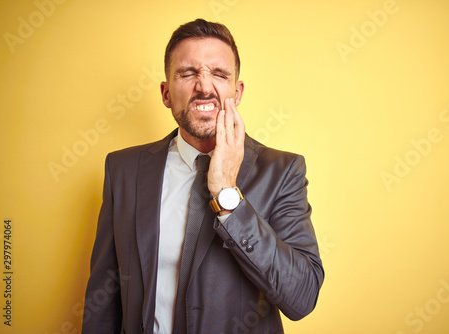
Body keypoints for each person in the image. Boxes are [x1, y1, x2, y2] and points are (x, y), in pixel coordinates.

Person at [82, 18, 324, 334]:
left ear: (236, 93)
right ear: (166, 93)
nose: (204, 87)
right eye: (187, 73)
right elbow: (104, 296)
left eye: (219, 74)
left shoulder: (282, 172)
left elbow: (302, 297)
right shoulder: (123, 170)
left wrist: (227, 195)